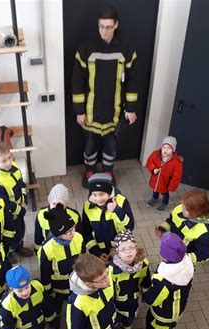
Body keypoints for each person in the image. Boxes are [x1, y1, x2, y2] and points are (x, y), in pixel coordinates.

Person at [72, 6, 138, 187]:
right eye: (101, 26)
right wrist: (79, 111)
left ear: (116, 25)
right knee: (90, 146)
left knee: (111, 148)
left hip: (114, 112)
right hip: (90, 112)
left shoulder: (126, 49)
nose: (104, 31)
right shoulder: (86, 49)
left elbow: (132, 80)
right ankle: (90, 172)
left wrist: (131, 109)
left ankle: (108, 172)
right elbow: (77, 82)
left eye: (109, 26)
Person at [131, 233, 194, 329]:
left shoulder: (164, 279)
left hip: (163, 312)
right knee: (167, 326)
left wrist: (145, 295)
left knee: (153, 325)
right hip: (178, 306)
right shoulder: (187, 263)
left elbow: (154, 299)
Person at [38, 203, 85, 329]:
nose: (72, 233)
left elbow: (84, 256)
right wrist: (48, 290)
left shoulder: (79, 238)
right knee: (56, 306)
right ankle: (56, 318)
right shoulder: (47, 249)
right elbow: (45, 272)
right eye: (67, 232)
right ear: (57, 233)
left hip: (76, 282)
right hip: (57, 287)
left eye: (73, 228)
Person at [0, 265, 55, 329]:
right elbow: (7, 324)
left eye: (27, 287)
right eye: (20, 290)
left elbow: (46, 304)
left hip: (38, 324)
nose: (25, 292)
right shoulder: (7, 304)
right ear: (12, 288)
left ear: (30, 281)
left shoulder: (38, 286)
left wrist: (50, 317)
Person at [0, 142, 33, 258]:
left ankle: (19, 247)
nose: (9, 162)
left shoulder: (15, 166)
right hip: (8, 214)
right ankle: (8, 253)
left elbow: (21, 185)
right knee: (8, 234)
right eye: (4, 161)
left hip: (20, 208)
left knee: (20, 230)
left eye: (9, 157)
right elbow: (5, 203)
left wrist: (25, 202)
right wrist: (20, 210)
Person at [108, 230, 151, 329]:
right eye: (123, 249)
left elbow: (146, 280)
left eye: (131, 248)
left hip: (134, 299)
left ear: (136, 249)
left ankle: (127, 328)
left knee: (130, 317)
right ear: (117, 253)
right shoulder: (112, 270)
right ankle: (115, 327)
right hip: (117, 302)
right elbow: (109, 289)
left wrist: (146, 294)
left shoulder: (143, 264)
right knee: (114, 318)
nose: (128, 251)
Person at [82, 173, 134, 261]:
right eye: (94, 194)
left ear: (109, 193)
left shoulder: (121, 201)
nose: (98, 199)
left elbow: (129, 226)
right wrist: (96, 252)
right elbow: (86, 231)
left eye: (101, 194)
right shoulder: (87, 206)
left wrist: (117, 210)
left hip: (120, 249)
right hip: (99, 250)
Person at [156, 189, 209, 264]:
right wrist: (162, 229)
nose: (181, 209)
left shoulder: (204, 233)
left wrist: (183, 258)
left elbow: (204, 255)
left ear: (196, 212)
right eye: (182, 204)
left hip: (184, 260)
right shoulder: (179, 209)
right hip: (174, 246)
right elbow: (171, 220)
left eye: (185, 208)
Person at [34, 183, 81, 252]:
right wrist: (38, 249)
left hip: (68, 248)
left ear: (66, 204)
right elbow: (38, 233)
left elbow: (79, 234)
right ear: (49, 201)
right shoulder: (41, 214)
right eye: (54, 203)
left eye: (60, 205)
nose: (56, 207)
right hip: (49, 249)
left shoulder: (74, 215)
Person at [145, 136, 183, 212]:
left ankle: (164, 203)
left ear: (173, 150)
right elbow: (149, 162)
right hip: (155, 180)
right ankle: (154, 198)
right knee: (155, 189)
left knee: (165, 193)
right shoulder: (155, 154)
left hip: (165, 182)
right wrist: (153, 169)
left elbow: (177, 176)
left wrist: (172, 186)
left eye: (169, 148)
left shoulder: (176, 162)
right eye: (164, 147)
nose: (166, 150)